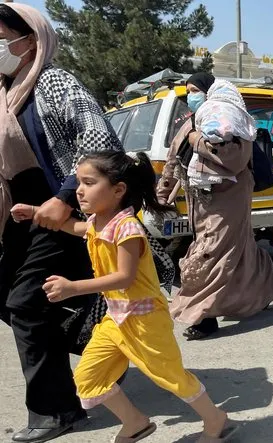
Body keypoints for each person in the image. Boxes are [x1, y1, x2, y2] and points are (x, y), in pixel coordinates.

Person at [11, 151, 237, 443]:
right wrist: (34, 210)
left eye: (89, 182)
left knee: (170, 376)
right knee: (88, 378)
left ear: (118, 190)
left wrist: (73, 287)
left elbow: (124, 277)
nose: (79, 190)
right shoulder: (96, 222)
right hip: (115, 320)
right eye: (79, 182)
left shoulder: (127, 228)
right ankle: (135, 423)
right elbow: (73, 227)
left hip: (144, 320)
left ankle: (216, 420)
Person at [0, 4, 123, 442]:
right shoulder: (6, 90)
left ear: (29, 40)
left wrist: (65, 196)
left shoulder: (52, 81)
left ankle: (55, 411)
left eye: (1, 37)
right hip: (20, 219)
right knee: (12, 298)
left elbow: (101, 140)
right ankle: (104, 346)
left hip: (62, 216)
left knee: (27, 303)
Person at [157, 73, 273, 340]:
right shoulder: (191, 124)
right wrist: (163, 191)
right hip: (200, 201)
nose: (190, 96)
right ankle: (265, 290)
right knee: (240, 250)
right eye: (188, 91)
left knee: (211, 252)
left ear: (209, 91)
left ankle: (204, 316)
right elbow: (174, 158)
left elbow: (234, 160)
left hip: (229, 198)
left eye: (195, 90)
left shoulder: (230, 123)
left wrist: (198, 141)